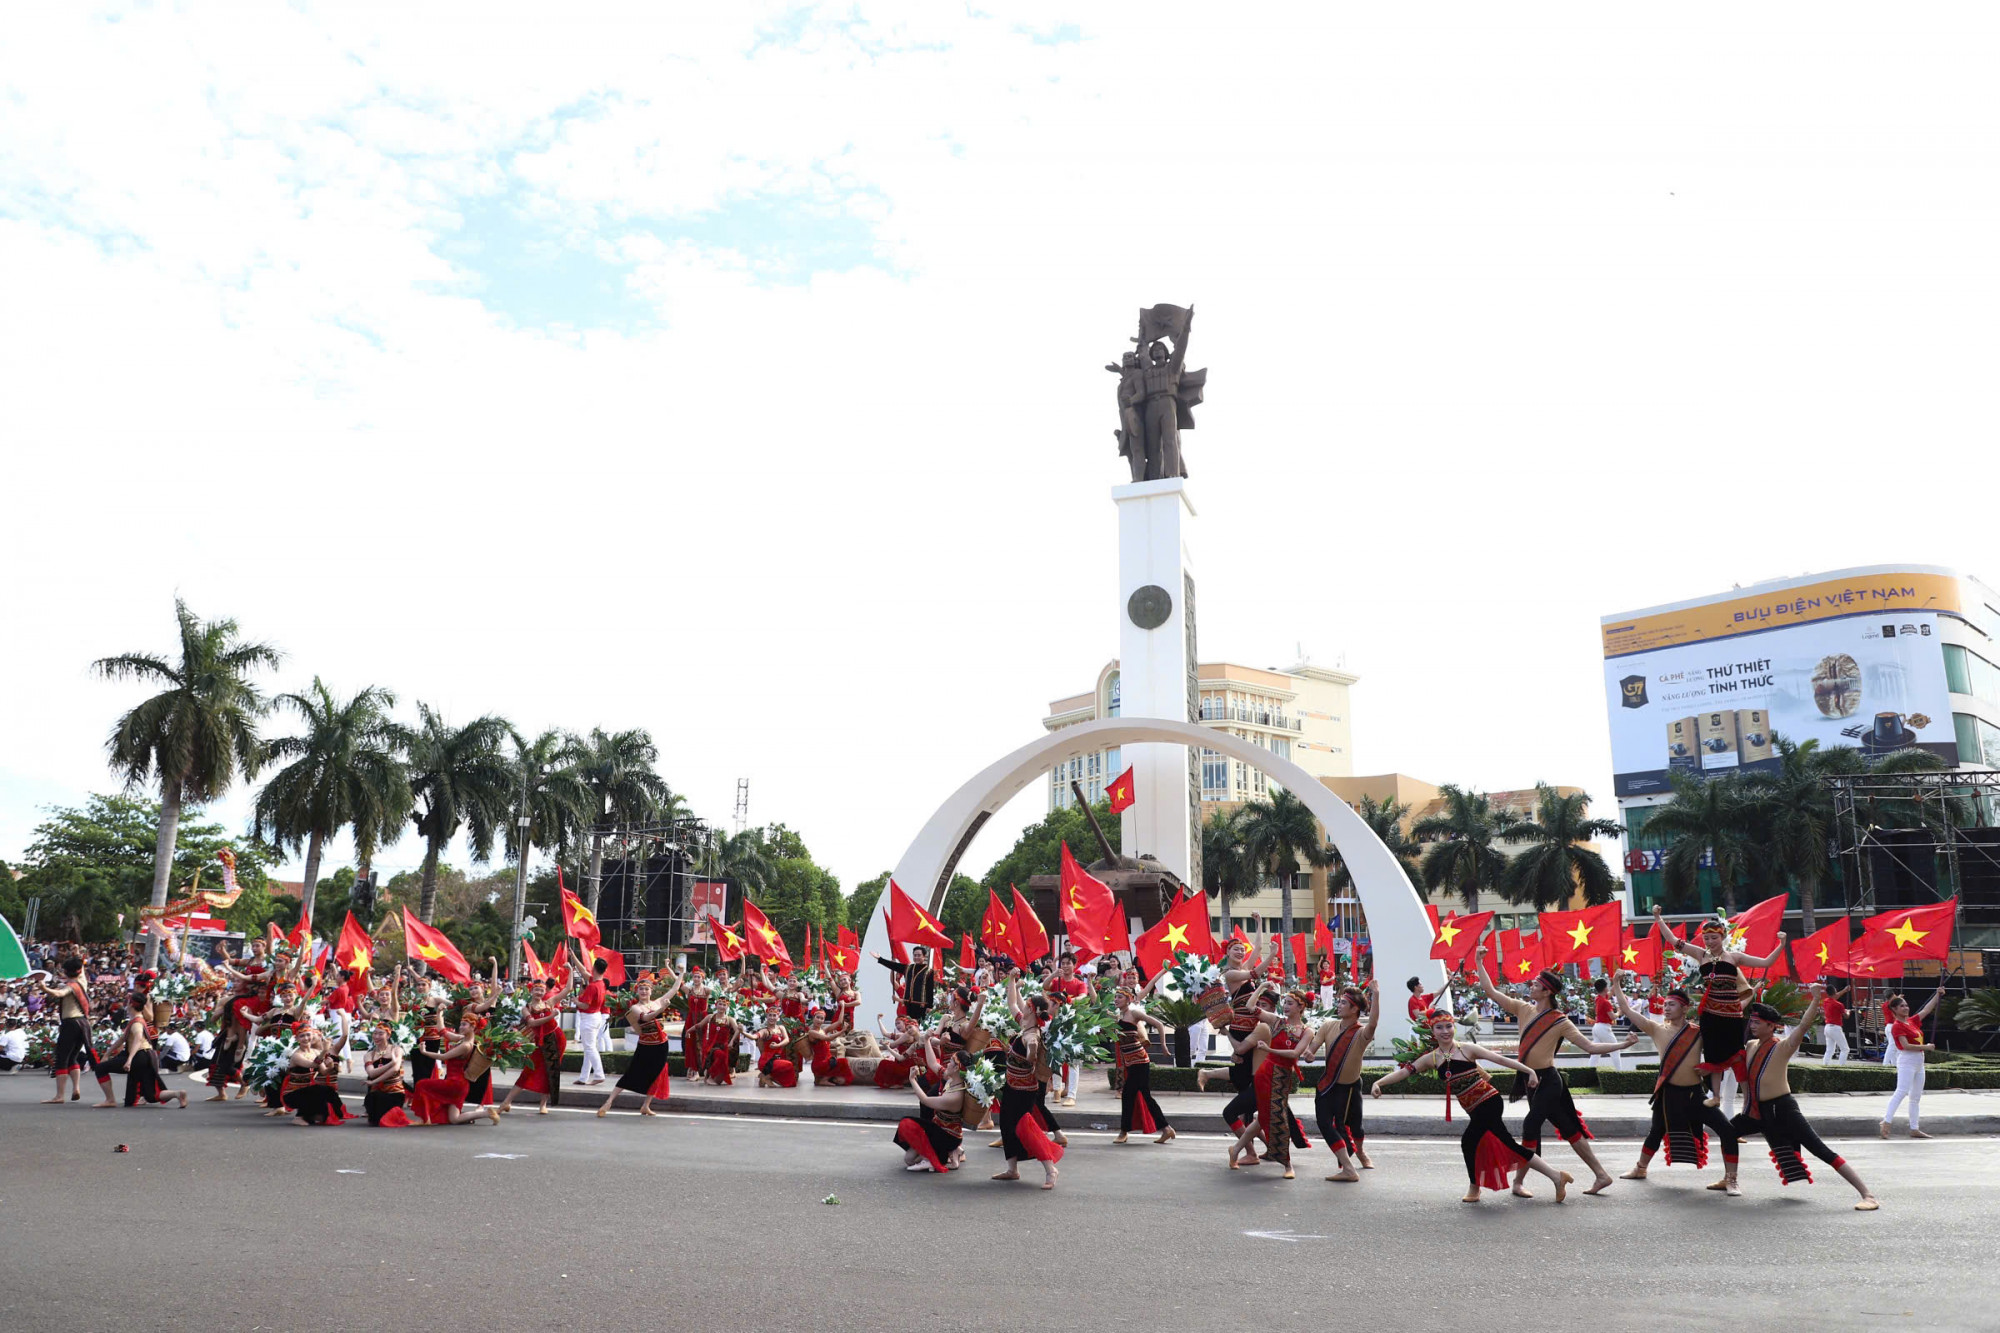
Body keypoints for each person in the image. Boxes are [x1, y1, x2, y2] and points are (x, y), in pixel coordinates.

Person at [1371, 1009, 1573, 1203]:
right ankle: (1555, 1177)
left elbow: (1500, 1059)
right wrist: (1379, 1082)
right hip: (1473, 1108)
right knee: (1498, 1144)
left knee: (1472, 1142)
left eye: (1448, 1026)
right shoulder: (1432, 1058)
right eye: (1439, 1027)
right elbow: (1405, 1072)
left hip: (1489, 1102)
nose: (1445, 1031)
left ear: (1454, 1028)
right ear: (1432, 1031)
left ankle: (1476, 1187)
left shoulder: (1467, 1049)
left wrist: (1528, 1070)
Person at [1471, 955, 1634, 1196]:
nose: (1531, 987)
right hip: (1530, 1079)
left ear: (1547, 992)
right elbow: (1491, 991)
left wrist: (1621, 1046)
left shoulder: (1560, 1021)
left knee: (1530, 1125)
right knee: (1569, 1129)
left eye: (1536, 985)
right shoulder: (1522, 1008)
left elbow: (1589, 1047)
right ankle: (1601, 1175)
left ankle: (1520, 1182)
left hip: (1548, 1080)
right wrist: (1479, 961)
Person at [1730, 988, 1878, 1209]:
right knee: (1727, 1131)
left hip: (1783, 1109)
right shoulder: (1751, 1045)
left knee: (1819, 1149)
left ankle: (1868, 1195)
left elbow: (1803, 1025)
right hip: (1757, 1111)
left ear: (1771, 1026)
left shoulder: (1783, 1046)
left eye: (1757, 1022)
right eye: (1751, 1021)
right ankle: (1729, 1178)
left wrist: (1816, 998)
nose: (1752, 1025)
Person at [1611, 977, 1740, 1192]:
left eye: (1671, 1004)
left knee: (1727, 1129)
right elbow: (1625, 1008)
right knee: (1656, 1131)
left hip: (1694, 1094)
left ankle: (1731, 1179)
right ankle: (1640, 1168)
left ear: (1685, 1008)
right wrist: (1615, 983)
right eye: (1664, 1004)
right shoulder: (1656, 1028)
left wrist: (1709, 1069)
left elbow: (1719, 1055)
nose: (1666, 1008)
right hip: (1667, 1094)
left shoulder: (1698, 1032)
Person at [1661, 907, 1786, 1109]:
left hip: (1732, 1014)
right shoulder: (1700, 955)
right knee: (1713, 1055)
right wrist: (1658, 917)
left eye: (1714, 938)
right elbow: (1674, 940)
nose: (1710, 942)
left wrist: (1782, 944)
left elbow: (1766, 962)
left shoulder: (1734, 957)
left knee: (1737, 1054)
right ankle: (1716, 1096)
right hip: (1710, 1013)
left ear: (1723, 937)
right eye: (1707, 938)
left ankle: (1748, 1100)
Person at [1302, 977, 1380, 1181]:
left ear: (1354, 1009)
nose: (1339, 1005)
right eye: (1340, 1001)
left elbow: (1373, 1023)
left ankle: (1361, 1154)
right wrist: (1310, 1053)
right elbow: (1316, 1043)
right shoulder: (1329, 1025)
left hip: (1351, 1087)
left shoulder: (1361, 1033)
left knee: (1356, 1127)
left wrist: (1376, 995)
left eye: (1344, 1002)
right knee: (1325, 1123)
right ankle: (1348, 1167)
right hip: (1329, 1084)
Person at [1231, 989, 1314, 1178]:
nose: (1285, 1006)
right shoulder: (1277, 1022)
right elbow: (1251, 1007)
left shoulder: (1307, 1031)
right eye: (1284, 1002)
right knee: (1278, 1117)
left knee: (1265, 1117)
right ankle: (1287, 1164)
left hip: (1283, 1076)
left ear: (1301, 1007)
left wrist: (1269, 1049)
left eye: (1290, 1003)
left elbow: (1294, 1054)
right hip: (1266, 1073)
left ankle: (1235, 1149)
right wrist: (1260, 988)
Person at [991, 980, 1062, 1190]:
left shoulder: (1032, 1035)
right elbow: (1012, 1003)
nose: (1022, 1007)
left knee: (1026, 1129)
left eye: (1026, 1004)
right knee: (1006, 1125)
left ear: (1032, 1009)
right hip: (1012, 1085)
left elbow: (1032, 1052)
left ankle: (1051, 1169)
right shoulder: (1024, 1023)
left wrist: (1032, 1050)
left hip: (1025, 1090)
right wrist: (1012, 980)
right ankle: (1012, 1169)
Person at [598, 970, 683, 1118]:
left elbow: (675, 989)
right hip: (645, 1045)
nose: (644, 991)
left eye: (646, 989)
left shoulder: (656, 1002)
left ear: (651, 991)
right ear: (637, 991)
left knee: (658, 1074)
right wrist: (663, 1008)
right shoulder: (635, 1008)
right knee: (631, 1072)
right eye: (641, 989)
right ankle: (608, 1102)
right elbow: (647, 1017)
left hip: (661, 1045)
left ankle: (645, 1105)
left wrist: (681, 972)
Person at [41, 956, 115, 1107]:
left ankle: (59, 1095)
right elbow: (78, 970)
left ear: (68, 972)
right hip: (83, 1023)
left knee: (62, 1058)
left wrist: (43, 987)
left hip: (71, 1023)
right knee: (73, 1057)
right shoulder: (82, 981)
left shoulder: (71, 986)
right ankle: (76, 1088)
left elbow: (58, 994)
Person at [895, 1049, 983, 1174]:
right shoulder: (951, 1078)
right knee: (909, 1159)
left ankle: (942, 1153)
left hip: (946, 1136)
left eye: (951, 1061)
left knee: (908, 1129)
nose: (947, 1064)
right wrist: (927, 1040)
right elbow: (932, 1063)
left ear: (957, 1068)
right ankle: (951, 1152)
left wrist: (912, 1080)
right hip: (937, 1127)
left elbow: (925, 1100)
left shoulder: (955, 1096)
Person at [1111, 974, 1173, 1145]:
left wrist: (1163, 1046)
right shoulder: (1118, 1017)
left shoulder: (1134, 1014)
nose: (1116, 999)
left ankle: (1124, 1131)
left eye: (1120, 997)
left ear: (1129, 999)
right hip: (1129, 1062)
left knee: (1130, 1095)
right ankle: (1166, 1129)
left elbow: (1159, 1024)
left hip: (1140, 1062)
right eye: (1116, 996)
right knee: (1144, 1096)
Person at [499, 975, 573, 1116]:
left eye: (542, 990)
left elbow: (568, 989)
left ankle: (543, 1104)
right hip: (540, 1042)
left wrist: (569, 970)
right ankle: (506, 1102)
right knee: (528, 1071)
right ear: (531, 991)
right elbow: (532, 1023)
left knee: (551, 1071)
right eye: (536, 990)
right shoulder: (526, 1008)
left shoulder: (549, 1002)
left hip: (557, 1039)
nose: (539, 992)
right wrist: (551, 1016)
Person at [1881, 985, 1946, 1139]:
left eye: (1906, 1005)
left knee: (1915, 1097)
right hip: (1907, 1060)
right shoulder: (1897, 1027)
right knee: (1901, 1092)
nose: (1905, 1008)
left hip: (1919, 1062)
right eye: (1901, 1006)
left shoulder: (1912, 1022)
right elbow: (1905, 1046)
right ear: (1894, 1009)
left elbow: (1926, 1010)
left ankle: (1914, 1128)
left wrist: (1937, 995)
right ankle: (1886, 1122)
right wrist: (1926, 1047)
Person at [116, 995, 187, 1110]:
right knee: (144, 1081)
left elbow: (149, 1017)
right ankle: (140, 1096)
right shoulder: (141, 1000)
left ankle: (139, 1096)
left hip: (145, 1043)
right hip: (144, 1044)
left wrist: (139, 1006)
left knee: (147, 1086)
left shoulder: (146, 998)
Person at [1045, 953, 1089, 1106]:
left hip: (1072, 1024)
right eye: (1062, 963)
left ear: (1074, 965)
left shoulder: (1078, 983)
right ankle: (1057, 1090)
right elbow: (1044, 986)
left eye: (1068, 963)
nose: (1065, 966)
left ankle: (1071, 1095)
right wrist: (1052, 976)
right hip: (1056, 1023)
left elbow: (1084, 997)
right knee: (1056, 1056)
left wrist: (1068, 1000)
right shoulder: (1056, 981)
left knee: (1073, 1061)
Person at [571, 946, 612, 1087]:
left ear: (594, 968)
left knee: (589, 1048)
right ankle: (583, 1077)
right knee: (589, 1047)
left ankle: (599, 1074)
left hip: (588, 1018)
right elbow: (582, 971)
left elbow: (585, 1006)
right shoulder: (600, 984)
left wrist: (576, 1001)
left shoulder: (593, 986)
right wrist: (573, 956)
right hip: (596, 1017)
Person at [362, 1025, 412, 1127]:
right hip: (377, 1092)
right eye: (375, 1033)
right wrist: (391, 1063)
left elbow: (395, 1069)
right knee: (371, 1098)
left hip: (394, 1093)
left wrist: (374, 1081)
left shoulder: (397, 1049)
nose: (377, 1036)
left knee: (380, 1102)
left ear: (388, 1035)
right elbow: (371, 1073)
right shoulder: (369, 1055)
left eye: (381, 1034)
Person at [872, 946, 937, 1022]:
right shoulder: (908, 968)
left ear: (924, 956)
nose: (916, 957)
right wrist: (880, 959)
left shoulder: (929, 971)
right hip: (908, 1004)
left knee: (916, 1026)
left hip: (920, 1005)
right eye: (915, 955)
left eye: (919, 955)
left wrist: (929, 1006)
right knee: (907, 1025)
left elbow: (929, 989)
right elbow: (893, 965)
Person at [755, 1010, 799, 1088]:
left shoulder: (781, 1028)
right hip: (767, 1060)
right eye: (770, 1015)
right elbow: (754, 1037)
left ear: (778, 1017)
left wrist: (778, 1045)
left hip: (777, 1057)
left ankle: (765, 1076)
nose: (772, 1017)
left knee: (791, 1082)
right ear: (767, 1017)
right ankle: (766, 1076)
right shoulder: (764, 1030)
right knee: (789, 1064)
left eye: (774, 1015)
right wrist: (743, 1032)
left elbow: (787, 1040)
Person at [1590, 978, 1623, 1071]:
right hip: (1604, 1028)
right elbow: (1612, 1017)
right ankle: (1619, 1072)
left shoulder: (1598, 998)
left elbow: (1611, 991)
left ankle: (1589, 1071)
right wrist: (1619, 1012)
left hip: (1597, 1027)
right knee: (1615, 1049)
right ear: (1605, 988)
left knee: (1596, 1052)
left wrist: (1617, 980)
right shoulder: (1605, 1002)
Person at [1819, 977, 1852, 1064]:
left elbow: (1835, 996)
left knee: (1830, 1050)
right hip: (1835, 1028)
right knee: (1845, 1049)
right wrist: (1848, 1012)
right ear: (1835, 990)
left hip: (1827, 1027)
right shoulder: (1839, 1005)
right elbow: (1846, 1016)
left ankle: (1825, 1065)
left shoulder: (1826, 1001)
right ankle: (1841, 1067)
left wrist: (1845, 990)